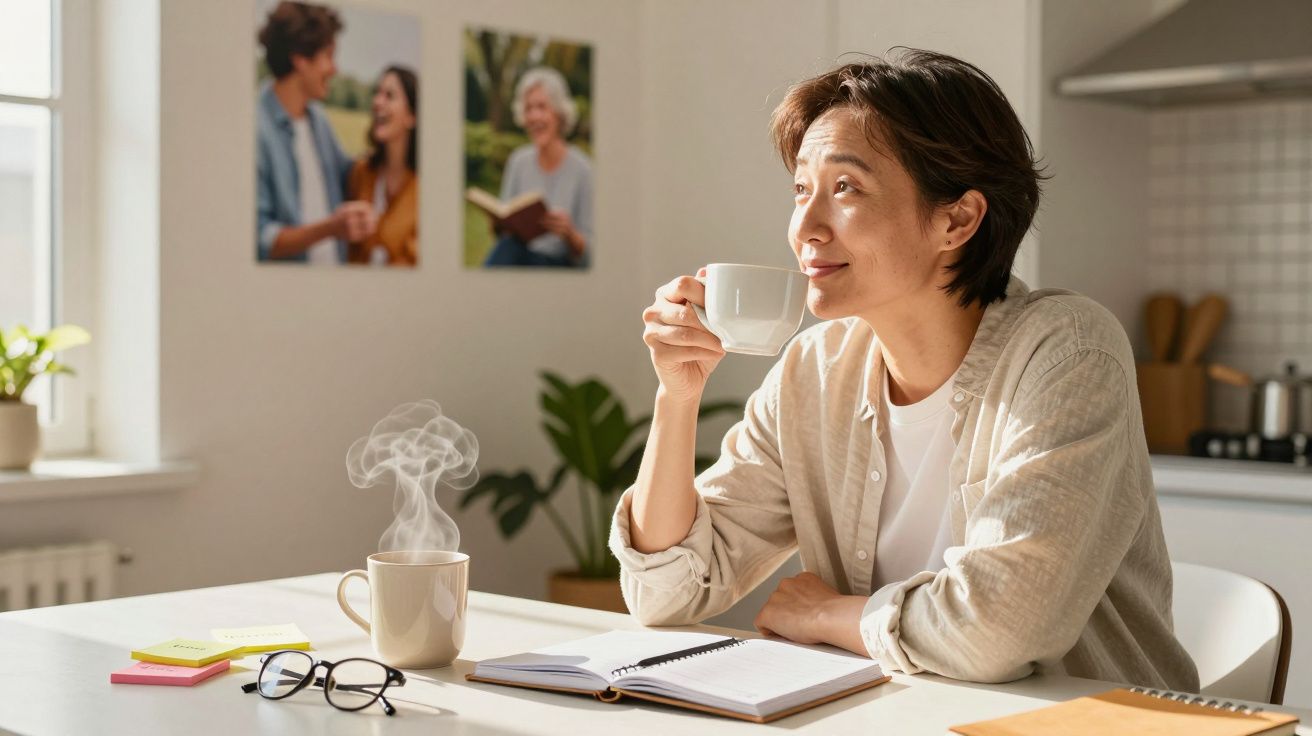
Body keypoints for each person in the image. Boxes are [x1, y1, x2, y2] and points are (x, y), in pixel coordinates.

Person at [611, 49, 1200, 692]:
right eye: (801, 189)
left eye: (845, 189)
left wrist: (827, 615)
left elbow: (1002, 628)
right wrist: (678, 393)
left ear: (957, 219)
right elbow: (665, 593)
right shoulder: (814, 371)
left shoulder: (1067, 353)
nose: (805, 226)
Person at [256, 1, 375, 264]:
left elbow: (348, 175)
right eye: (329, 56)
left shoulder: (317, 119)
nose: (335, 69)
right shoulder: (257, 129)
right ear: (300, 59)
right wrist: (330, 229)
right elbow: (261, 240)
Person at [483, 67, 593, 269]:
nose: (534, 117)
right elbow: (505, 232)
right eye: (528, 109)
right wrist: (499, 225)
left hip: (561, 267)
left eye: (542, 107)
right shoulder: (518, 161)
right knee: (508, 246)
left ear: (559, 114)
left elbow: (592, 257)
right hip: (523, 259)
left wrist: (569, 233)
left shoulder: (584, 169)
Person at [346, 66, 418, 267]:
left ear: (411, 116)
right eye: (377, 93)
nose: (377, 102)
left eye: (389, 95)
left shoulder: (423, 187)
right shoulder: (361, 171)